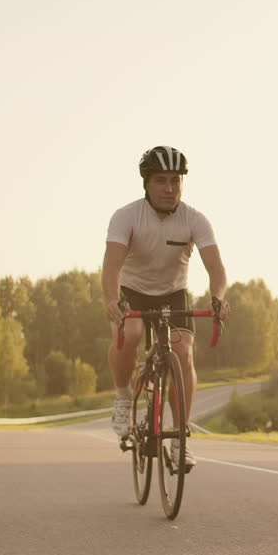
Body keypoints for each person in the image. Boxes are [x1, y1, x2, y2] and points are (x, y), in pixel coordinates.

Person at [103, 145, 231, 471]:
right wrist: (111, 299)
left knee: (184, 351)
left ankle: (180, 438)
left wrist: (217, 298)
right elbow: (112, 268)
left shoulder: (195, 219)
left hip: (173, 293)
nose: (169, 188)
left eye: (176, 180)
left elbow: (217, 270)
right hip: (133, 290)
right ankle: (122, 396)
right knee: (129, 333)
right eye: (161, 180)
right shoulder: (127, 216)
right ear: (146, 183)